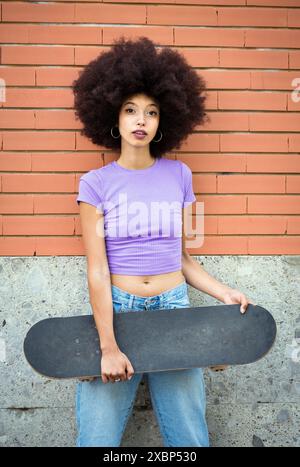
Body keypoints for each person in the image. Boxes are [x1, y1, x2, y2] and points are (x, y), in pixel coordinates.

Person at [73, 36, 254, 447]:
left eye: (152, 112)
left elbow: (183, 257)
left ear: (163, 121)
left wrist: (223, 292)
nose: (141, 120)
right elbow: (97, 269)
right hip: (119, 312)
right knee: (96, 439)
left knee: (189, 436)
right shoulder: (94, 184)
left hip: (174, 309)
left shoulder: (180, 175)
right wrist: (108, 344)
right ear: (112, 117)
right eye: (131, 110)